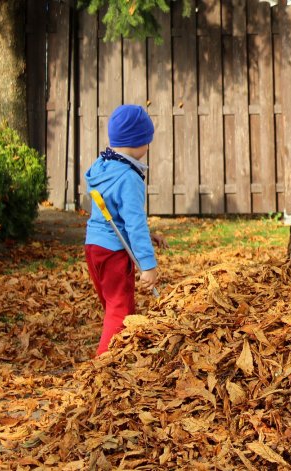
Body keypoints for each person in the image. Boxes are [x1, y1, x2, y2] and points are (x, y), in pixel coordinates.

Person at [85, 104, 166, 356]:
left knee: (112, 305)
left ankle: (122, 354)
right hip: (113, 252)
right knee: (120, 310)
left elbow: (115, 213)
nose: (148, 146)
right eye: (147, 141)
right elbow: (134, 224)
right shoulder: (129, 177)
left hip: (94, 247)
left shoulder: (103, 165)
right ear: (137, 142)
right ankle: (105, 365)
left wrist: (147, 238)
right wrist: (148, 266)